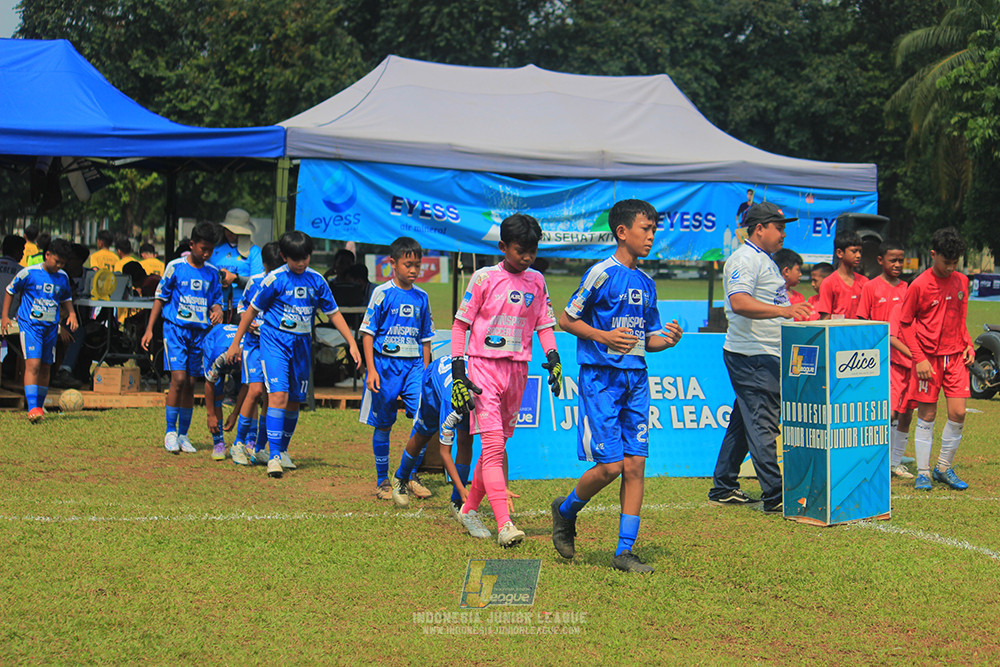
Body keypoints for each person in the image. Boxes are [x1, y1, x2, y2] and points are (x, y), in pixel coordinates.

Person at [551, 199, 683, 573]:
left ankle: (624, 551)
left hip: (636, 379)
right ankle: (565, 511)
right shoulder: (600, 274)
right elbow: (567, 318)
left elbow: (647, 339)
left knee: (636, 465)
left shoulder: (647, 283)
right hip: (600, 380)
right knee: (609, 467)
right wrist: (603, 336)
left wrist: (668, 339)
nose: (652, 236)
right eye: (646, 229)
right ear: (622, 232)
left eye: (655, 229)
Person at [451, 213, 561, 548]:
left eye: (532, 250)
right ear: (503, 247)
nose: (527, 256)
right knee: (494, 446)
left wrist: (554, 358)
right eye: (520, 250)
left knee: (497, 449)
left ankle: (469, 509)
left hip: (518, 372)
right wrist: (459, 373)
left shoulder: (537, 282)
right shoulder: (483, 278)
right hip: (484, 369)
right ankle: (504, 524)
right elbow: (460, 326)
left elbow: (544, 324)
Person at [225, 231, 361, 479]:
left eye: (305, 258)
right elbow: (251, 312)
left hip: (301, 346)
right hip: (274, 342)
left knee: (294, 400)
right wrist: (236, 344)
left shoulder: (317, 281)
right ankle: (273, 456)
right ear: (284, 256)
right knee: (278, 395)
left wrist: (351, 342)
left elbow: (333, 313)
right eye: (295, 259)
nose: (301, 263)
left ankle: (283, 451)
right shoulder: (274, 280)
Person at [708, 202, 812, 513]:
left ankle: (724, 485)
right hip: (752, 355)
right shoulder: (743, 259)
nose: (783, 234)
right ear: (759, 229)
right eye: (778, 228)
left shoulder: (761, 259)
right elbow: (739, 302)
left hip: (764, 353)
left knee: (745, 421)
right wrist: (785, 311)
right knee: (763, 422)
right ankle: (776, 495)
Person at [897, 227, 974, 491]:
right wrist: (919, 359)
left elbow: (960, 319)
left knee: (959, 412)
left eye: (955, 263)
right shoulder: (918, 284)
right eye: (946, 262)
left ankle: (943, 467)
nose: (951, 268)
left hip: (955, 359)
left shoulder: (962, 282)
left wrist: (968, 344)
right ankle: (923, 472)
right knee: (927, 414)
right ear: (933, 255)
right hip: (927, 360)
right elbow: (905, 324)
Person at [359, 236, 435, 500]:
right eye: (408, 264)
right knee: (384, 424)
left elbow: (426, 338)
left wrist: (426, 373)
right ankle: (383, 482)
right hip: (385, 365)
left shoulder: (422, 297)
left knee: (425, 419)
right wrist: (371, 369)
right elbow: (367, 334)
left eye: (417, 265)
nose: (413, 270)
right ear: (392, 263)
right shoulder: (381, 293)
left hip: (414, 366)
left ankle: (409, 476)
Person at [141, 222, 224, 454]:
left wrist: (216, 310)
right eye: (202, 249)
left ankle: (184, 435)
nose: (206, 254)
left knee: (190, 382)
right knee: (177, 379)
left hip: (199, 334)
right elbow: (160, 298)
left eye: (210, 250)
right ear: (192, 244)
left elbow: (215, 300)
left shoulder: (212, 273)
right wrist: (149, 329)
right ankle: (170, 431)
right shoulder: (175, 267)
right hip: (175, 330)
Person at [2, 238, 79, 423]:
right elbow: (10, 290)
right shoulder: (29, 273)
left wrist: (72, 314)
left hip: (50, 328)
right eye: (57, 261)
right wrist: (5, 317)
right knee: (33, 365)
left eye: (63, 263)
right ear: (47, 255)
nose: (59, 266)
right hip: (30, 327)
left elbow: (66, 296)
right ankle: (32, 407)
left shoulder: (63, 277)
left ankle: (39, 406)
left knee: (46, 367)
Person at [389, 354, 472, 513]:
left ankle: (456, 501)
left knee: (466, 440)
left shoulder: (482, 394)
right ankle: (401, 477)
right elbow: (444, 452)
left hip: (461, 380)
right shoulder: (450, 406)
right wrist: (462, 488)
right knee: (424, 434)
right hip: (433, 382)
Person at [231, 242, 282, 467]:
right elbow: (243, 307)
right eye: (271, 268)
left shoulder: (285, 281)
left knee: (270, 398)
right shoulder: (255, 282)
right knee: (255, 390)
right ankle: (238, 444)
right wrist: (248, 322)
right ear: (264, 265)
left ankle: (259, 448)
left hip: (274, 347)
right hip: (254, 345)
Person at [210, 208, 263, 315]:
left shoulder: (254, 252)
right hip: (215, 306)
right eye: (229, 230)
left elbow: (258, 283)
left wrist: (235, 278)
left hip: (241, 309)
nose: (232, 234)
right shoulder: (214, 249)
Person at [201, 323, 240, 461]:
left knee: (252, 392)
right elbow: (209, 383)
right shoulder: (219, 355)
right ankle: (218, 443)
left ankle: (248, 442)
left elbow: (248, 389)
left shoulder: (250, 355)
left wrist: (235, 414)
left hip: (233, 347)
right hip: (215, 341)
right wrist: (210, 415)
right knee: (217, 391)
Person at [887, 307, 917, 479]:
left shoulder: (928, 310)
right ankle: (883, 460)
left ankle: (895, 462)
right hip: (897, 366)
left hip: (916, 370)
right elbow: (892, 337)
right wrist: (916, 356)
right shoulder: (899, 309)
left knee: (907, 415)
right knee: (890, 414)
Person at [817, 231, 868, 319]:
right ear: (839, 253)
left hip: (859, 331)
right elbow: (825, 316)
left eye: (860, 251)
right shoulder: (829, 283)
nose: (858, 255)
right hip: (837, 331)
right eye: (854, 251)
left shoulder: (864, 282)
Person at [773, 248, 808, 321]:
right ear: (786, 271)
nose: (800, 274)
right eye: (798, 270)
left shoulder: (799, 297)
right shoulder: (772, 295)